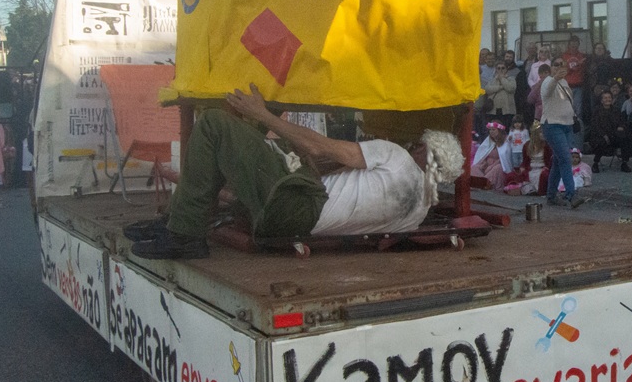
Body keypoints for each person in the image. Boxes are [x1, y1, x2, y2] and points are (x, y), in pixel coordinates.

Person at [130, 85, 464, 259]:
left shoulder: (397, 158)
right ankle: (180, 221)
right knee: (246, 145)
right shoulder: (419, 212)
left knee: (214, 126)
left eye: (420, 143)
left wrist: (262, 114)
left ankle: (185, 234)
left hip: (296, 204)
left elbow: (318, 147)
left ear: (424, 151)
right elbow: (350, 198)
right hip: (295, 223)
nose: (414, 144)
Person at [540, 58, 586, 209]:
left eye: (562, 64)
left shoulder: (565, 82)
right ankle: (571, 195)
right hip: (553, 125)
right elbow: (547, 91)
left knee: (558, 161)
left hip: (566, 125)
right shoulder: (548, 81)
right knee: (565, 158)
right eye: (556, 65)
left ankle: (551, 196)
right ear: (551, 68)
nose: (559, 67)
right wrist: (555, 78)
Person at [588, 90, 632, 173]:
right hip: (600, 135)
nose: (607, 99)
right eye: (605, 98)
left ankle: (624, 163)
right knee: (601, 142)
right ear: (601, 100)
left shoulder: (616, 110)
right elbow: (595, 125)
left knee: (625, 138)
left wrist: (621, 126)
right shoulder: (597, 111)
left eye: (609, 97)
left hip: (614, 134)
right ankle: (595, 163)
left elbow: (622, 121)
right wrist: (604, 135)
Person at [471, 121, 514, 190]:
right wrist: (484, 163)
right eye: (490, 130)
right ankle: (480, 183)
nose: (491, 132)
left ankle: (486, 183)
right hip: (487, 165)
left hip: (498, 165)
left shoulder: (506, 141)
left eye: (493, 130)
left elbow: (504, 158)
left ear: (499, 130)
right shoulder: (488, 140)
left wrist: (491, 166)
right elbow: (484, 154)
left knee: (498, 168)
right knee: (475, 167)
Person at [484, 61, 516, 128]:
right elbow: (487, 89)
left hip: (507, 110)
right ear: (496, 69)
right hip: (493, 110)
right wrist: (500, 87)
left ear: (506, 69)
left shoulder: (511, 79)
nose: (500, 70)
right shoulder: (492, 80)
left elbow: (510, 88)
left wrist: (502, 78)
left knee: (505, 128)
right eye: (498, 68)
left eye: (503, 68)